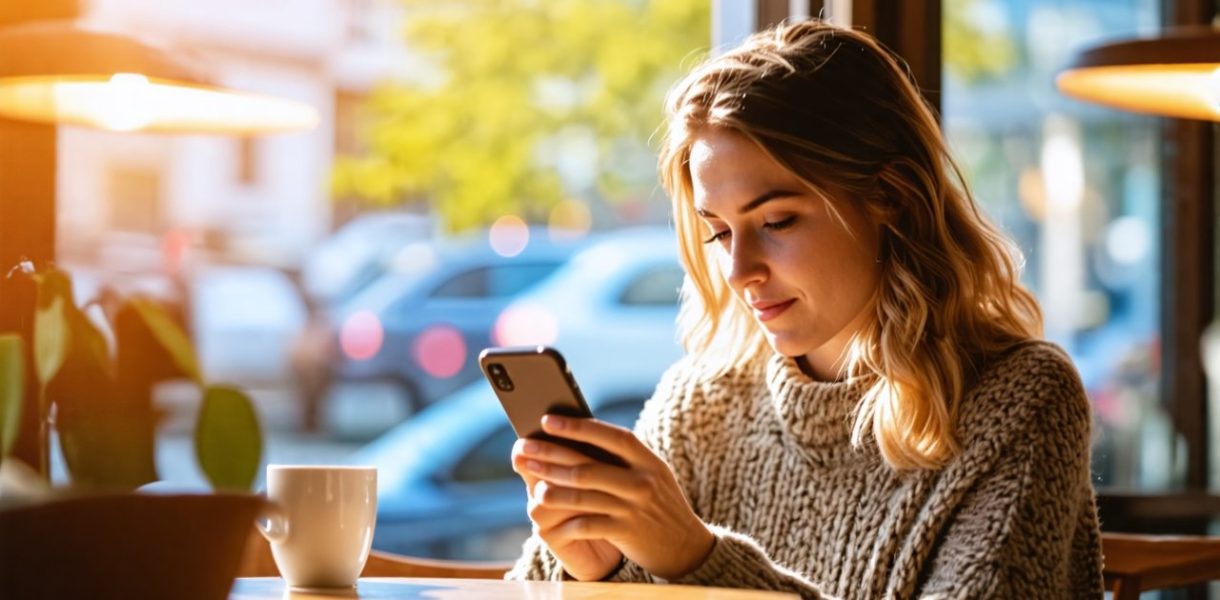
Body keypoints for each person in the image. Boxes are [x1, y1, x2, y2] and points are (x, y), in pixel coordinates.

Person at [505, 19, 1103, 598]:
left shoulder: (1019, 400)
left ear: (890, 197)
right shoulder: (704, 403)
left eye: (777, 221)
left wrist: (695, 559)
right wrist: (598, 576)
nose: (740, 272)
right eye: (718, 233)